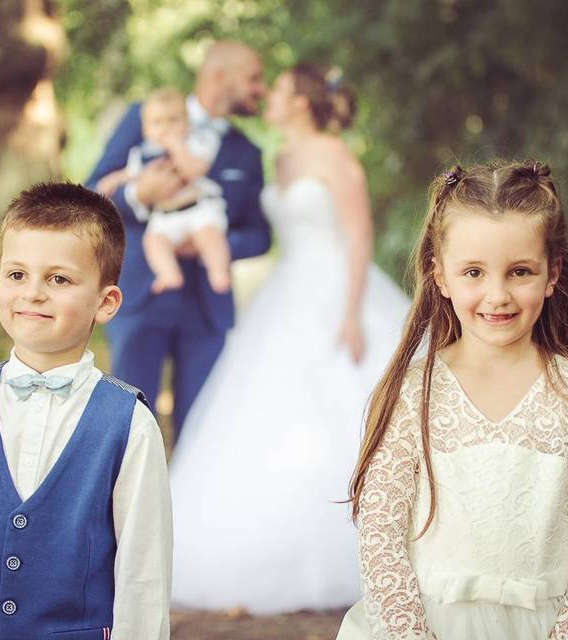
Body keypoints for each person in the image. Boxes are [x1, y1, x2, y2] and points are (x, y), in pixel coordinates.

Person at [337, 161, 568, 640]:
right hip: (430, 625)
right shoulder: (413, 392)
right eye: (474, 272)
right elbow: (381, 536)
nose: (497, 294)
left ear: (552, 274)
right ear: (439, 276)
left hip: (556, 625)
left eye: (520, 271)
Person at [168, 63, 410, 613]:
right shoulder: (277, 159)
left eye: (276, 90)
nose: (268, 97)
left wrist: (350, 314)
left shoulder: (335, 155)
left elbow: (358, 236)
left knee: (351, 405)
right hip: (286, 290)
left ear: (301, 101)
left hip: (336, 292)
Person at [0, 183, 172, 640]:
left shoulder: (129, 424)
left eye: (58, 279)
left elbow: (144, 578)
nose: (33, 293)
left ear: (105, 302)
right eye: (17, 274)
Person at [86, 41, 271, 437]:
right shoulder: (145, 116)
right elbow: (90, 194)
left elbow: (259, 235)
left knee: (201, 431)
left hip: (207, 311)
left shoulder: (247, 153)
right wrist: (139, 196)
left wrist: (213, 246)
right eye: (254, 78)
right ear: (219, 76)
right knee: (129, 427)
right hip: (139, 296)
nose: (262, 89)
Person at [95, 87, 232, 295]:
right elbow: (130, 173)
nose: (166, 128)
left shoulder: (195, 143)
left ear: (187, 124)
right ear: (146, 130)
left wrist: (176, 146)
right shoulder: (142, 153)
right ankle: (169, 274)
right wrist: (111, 181)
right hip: (165, 216)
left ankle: (218, 272)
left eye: (173, 120)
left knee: (210, 236)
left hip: (197, 208)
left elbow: (195, 170)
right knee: (153, 241)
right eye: (158, 123)